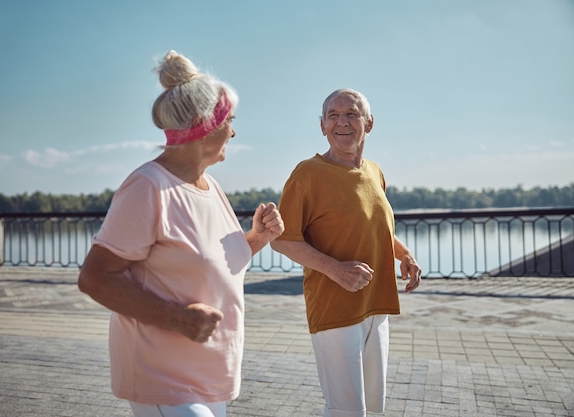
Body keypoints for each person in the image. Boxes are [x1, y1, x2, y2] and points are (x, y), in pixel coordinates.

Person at [78, 50, 284, 417]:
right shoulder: (147, 187)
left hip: (211, 375)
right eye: (229, 121)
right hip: (163, 375)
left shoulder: (211, 187)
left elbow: (214, 264)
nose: (234, 132)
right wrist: (178, 319)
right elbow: (95, 277)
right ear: (206, 124)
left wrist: (257, 238)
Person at [270, 88, 422, 416]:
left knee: (374, 409)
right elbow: (282, 240)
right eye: (333, 115)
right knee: (345, 410)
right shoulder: (306, 175)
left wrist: (405, 255)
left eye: (351, 113)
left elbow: (377, 227)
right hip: (334, 307)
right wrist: (335, 269)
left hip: (377, 305)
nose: (342, 122)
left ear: (369, 123)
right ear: (322, 125)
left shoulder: (375, 172)